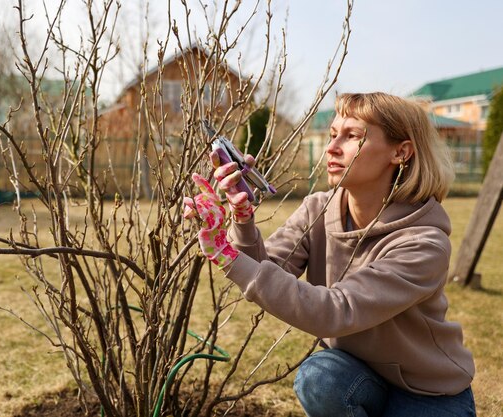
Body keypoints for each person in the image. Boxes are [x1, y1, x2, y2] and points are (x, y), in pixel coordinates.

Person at [184, 92, 476, 416]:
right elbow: (267, 270)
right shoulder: (318, 210)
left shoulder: (424, 243)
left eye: (352, 136)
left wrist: (227, 255)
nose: (332, 147)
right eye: (333, 133)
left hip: (427, 392)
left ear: (401, 152)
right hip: (354, 373)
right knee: (318, 377)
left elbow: (337, 311)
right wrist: (242, 219)